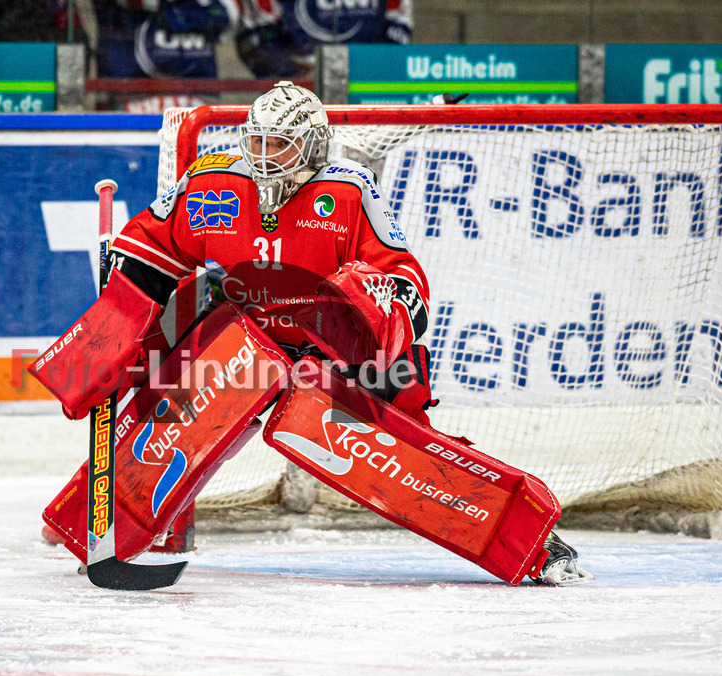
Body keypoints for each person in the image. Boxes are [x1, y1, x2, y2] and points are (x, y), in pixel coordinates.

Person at [34, 81, 592, 586]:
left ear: (313, 148)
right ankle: (87, 520)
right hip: (247, 342)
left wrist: (372, 316)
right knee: (165, 414)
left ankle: (531, 545)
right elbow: (152, 246)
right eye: (257, 141)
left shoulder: (348, 193)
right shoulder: (213, 183)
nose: (263, 156)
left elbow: (407, 282)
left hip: (337, 353)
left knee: (410, 454)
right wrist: (115, 320)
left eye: (280, 145)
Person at [91, 0, 238, 112]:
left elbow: (229, 16)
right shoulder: (119, 14)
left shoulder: (208, 7)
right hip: (136, 99)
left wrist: (173, 11)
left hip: (197, 99)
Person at [234, 0, 413, 78]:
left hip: (366, 90)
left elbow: (398, 27)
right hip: (294, 93)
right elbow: (256, 38)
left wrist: (367, 71)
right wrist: (298, 76)